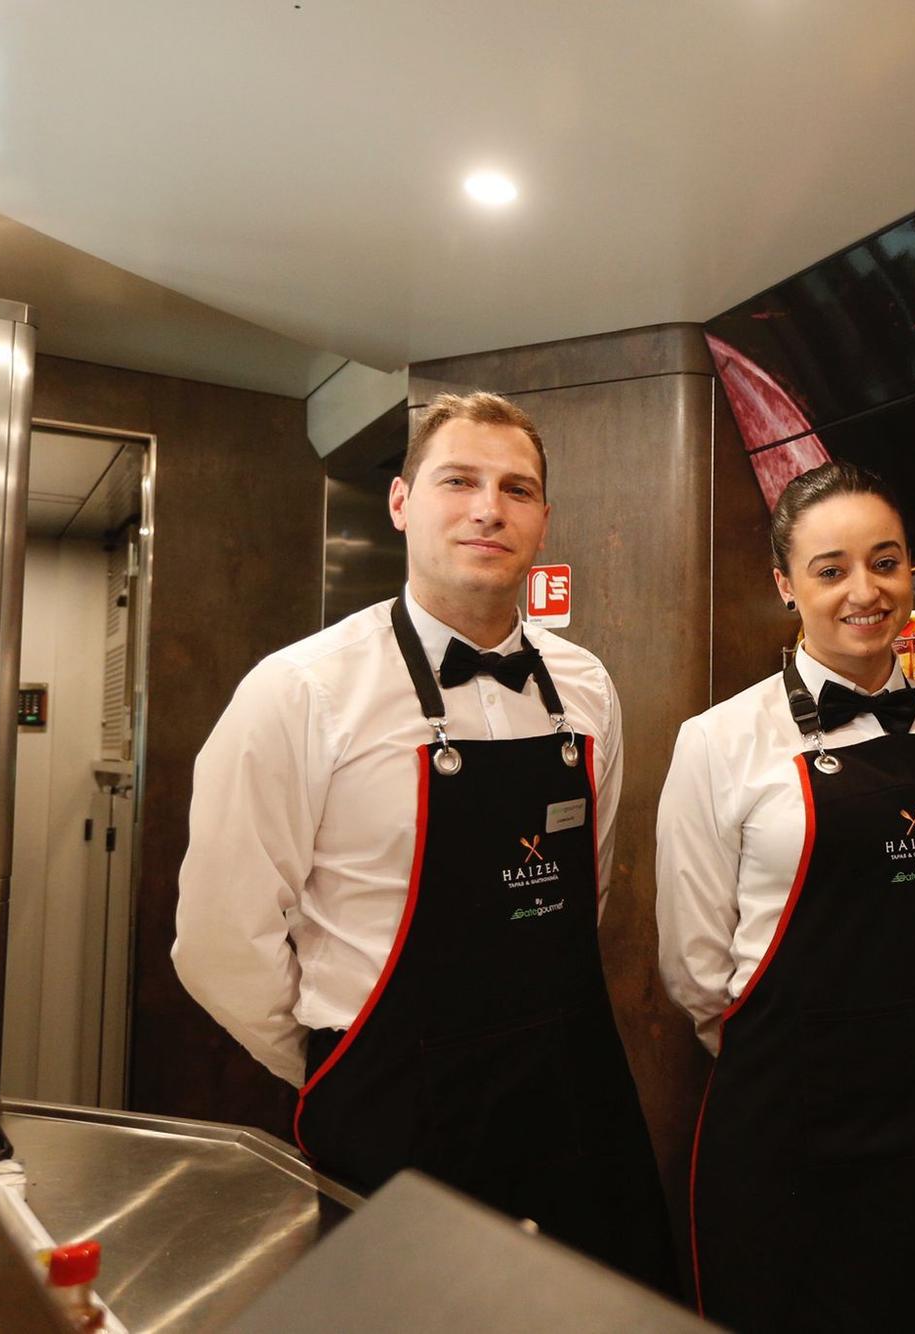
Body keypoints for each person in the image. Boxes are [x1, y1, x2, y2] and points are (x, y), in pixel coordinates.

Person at [173, 391, 673, 1288]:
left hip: (568, 1096)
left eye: (517, 489)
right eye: (459, 481)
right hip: (392, 1113)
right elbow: (219, 940)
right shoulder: (300, 691)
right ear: (402, 503)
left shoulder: (586, 685)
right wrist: (346, 1055)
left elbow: (585, 890)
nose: (489, 508)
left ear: (544, 519)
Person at [656, 461, 915, 1331]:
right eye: (831, 570)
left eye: (887, 562)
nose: (865, 592)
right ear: (786, 587)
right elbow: (695, 969)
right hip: (800, 1126)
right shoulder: (720, 742)